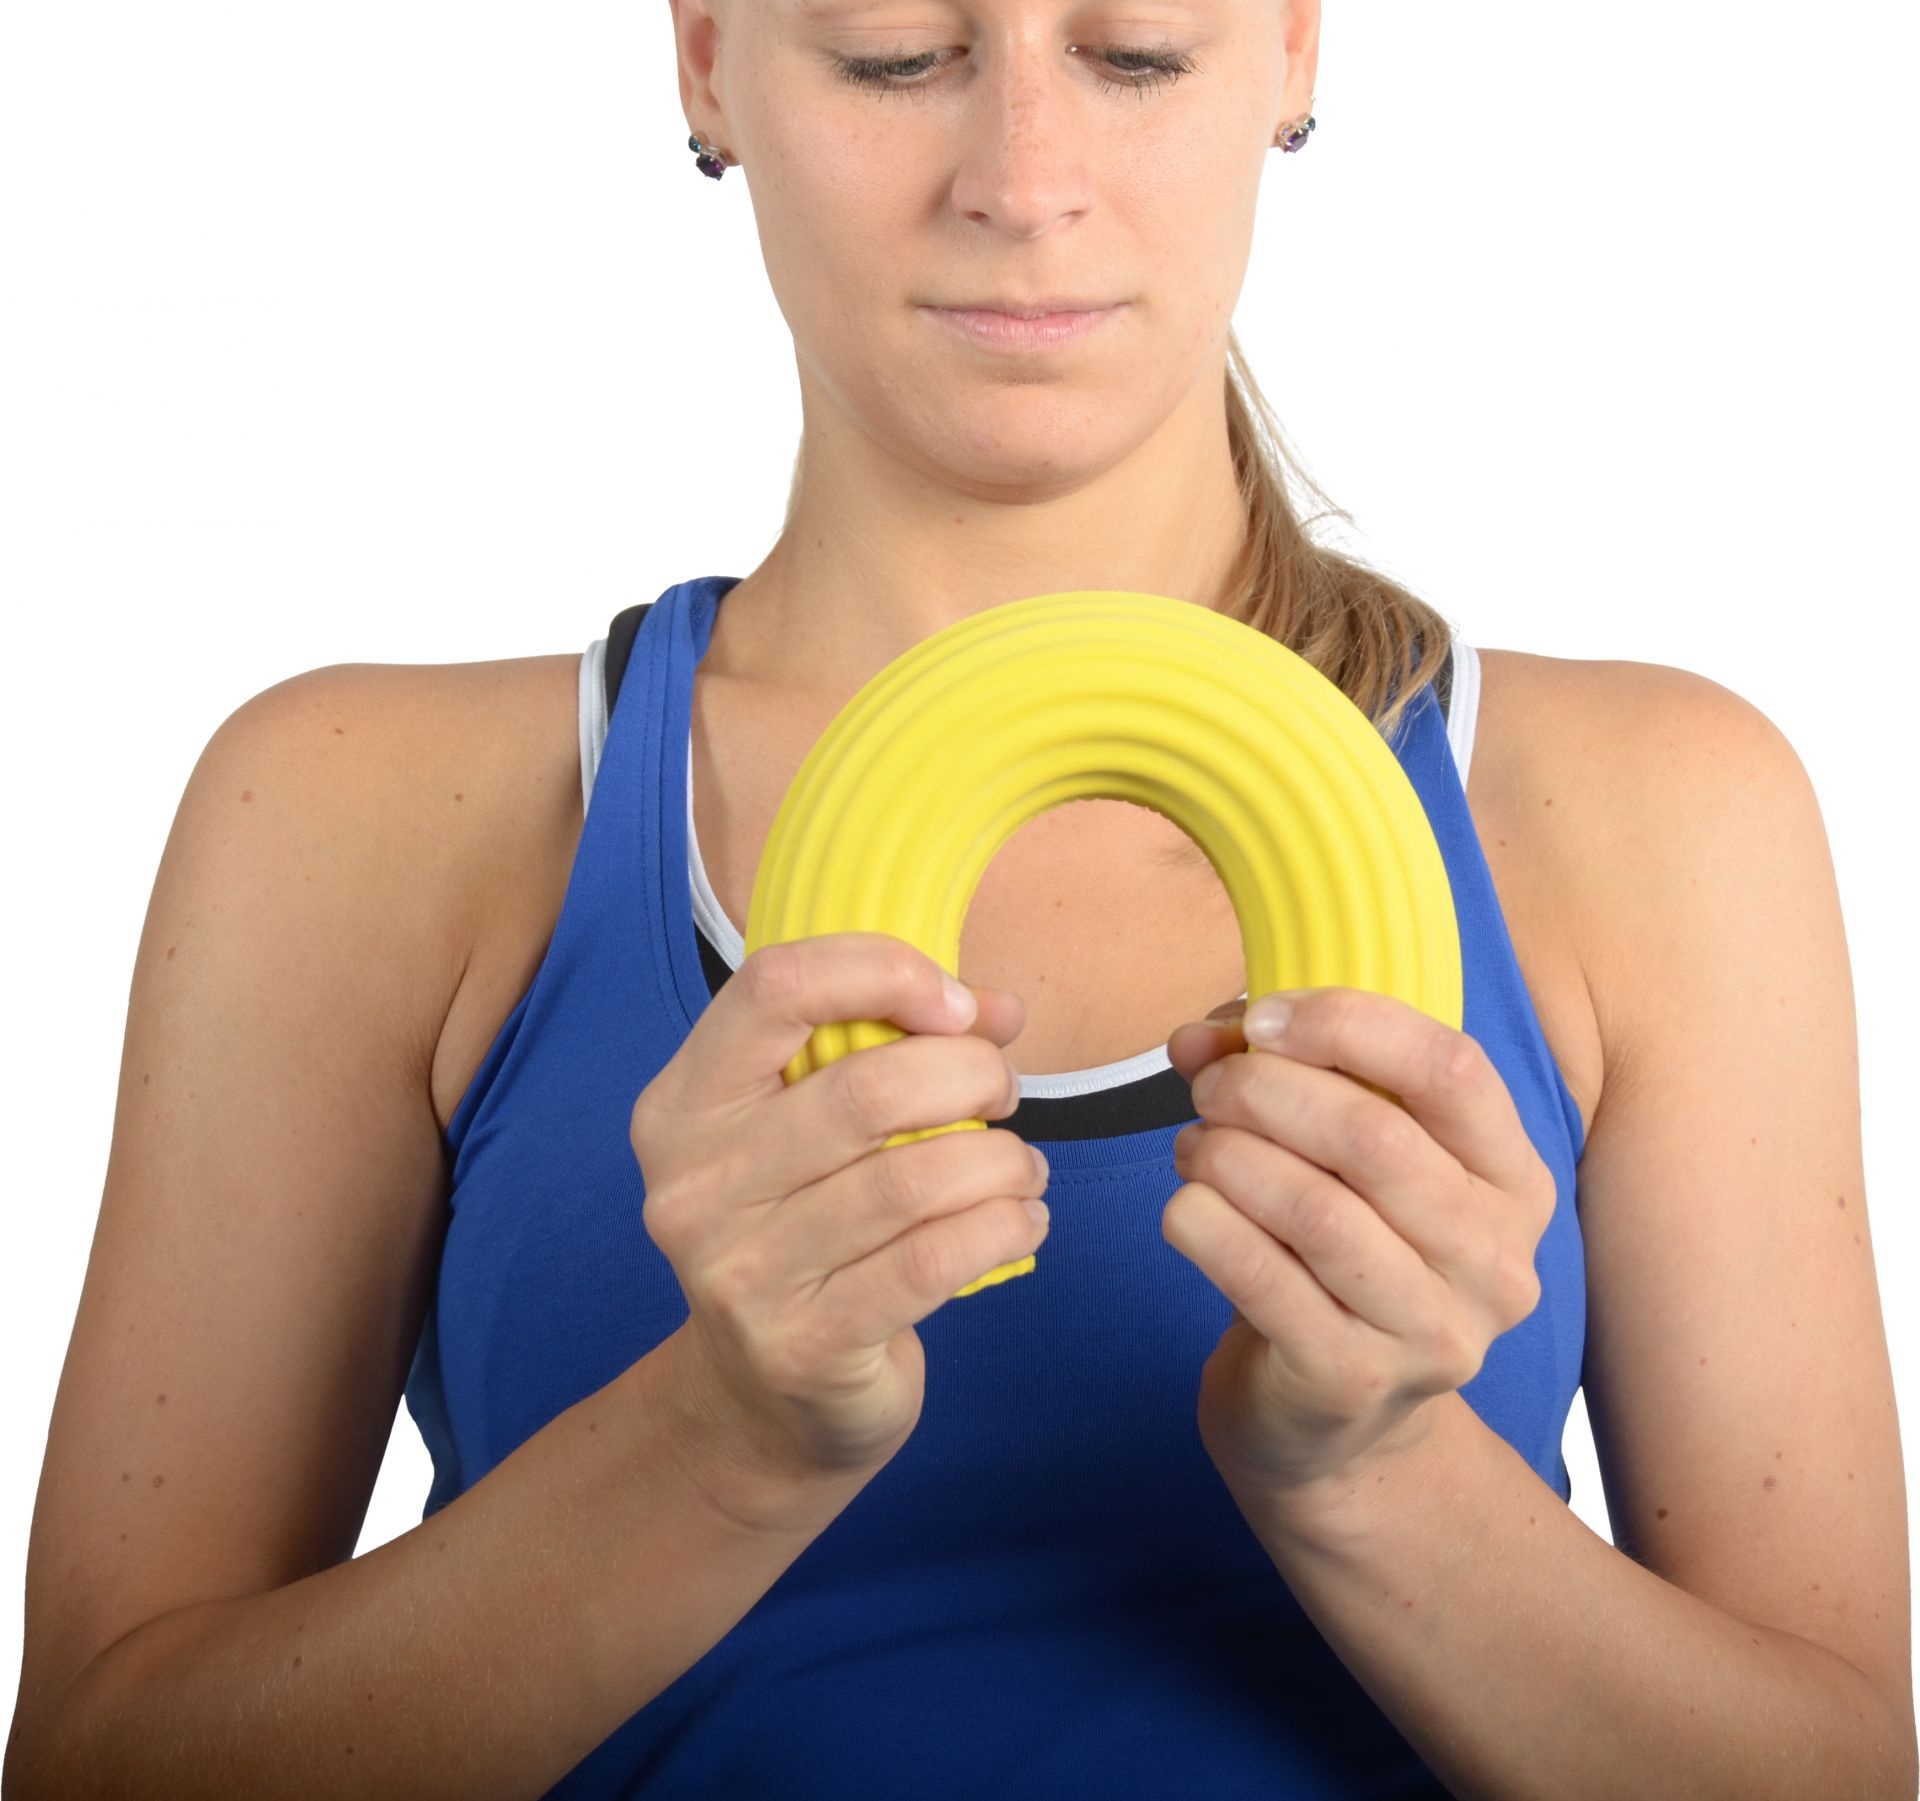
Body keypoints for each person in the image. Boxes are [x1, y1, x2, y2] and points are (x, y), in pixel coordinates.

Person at [8, 0, 1913, 1794]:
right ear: (707, 60)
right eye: (898, 53)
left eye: (1135, 52)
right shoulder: (361, 815)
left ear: (1291, 47)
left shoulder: (1651, 815)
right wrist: (723, 1443)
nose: (1024, 177)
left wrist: (1376, 1476)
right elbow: (99, 1764)